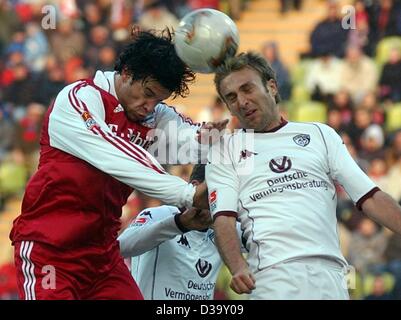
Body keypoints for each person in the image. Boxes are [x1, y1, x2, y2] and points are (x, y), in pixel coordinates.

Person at [9, 28, 226, 300]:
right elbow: (115, 154)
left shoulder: (154, 117)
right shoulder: (78, 99)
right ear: (126, 73)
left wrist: (215, 141)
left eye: (159, 99)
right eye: (147, 93)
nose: (150, 106)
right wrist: (188, 193)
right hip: (50, 254)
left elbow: (193, 141)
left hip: (102, 260)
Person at [206, 52, 401, 299]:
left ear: (272, 86)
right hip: (273, 276)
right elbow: (222, 218)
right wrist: (237, 266)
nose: (242, 101)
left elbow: (370, 197)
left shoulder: (321, 134)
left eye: (248, 89)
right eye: (231, 97)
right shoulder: (224, 150)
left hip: (332, 275)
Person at [118, 164, 244, 300]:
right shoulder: (159, 214)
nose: (224, 203)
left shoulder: (226, 229)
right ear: (195, 187)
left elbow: (266, 240)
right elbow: (120, 248)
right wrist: (178, 224)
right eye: (217, 193)